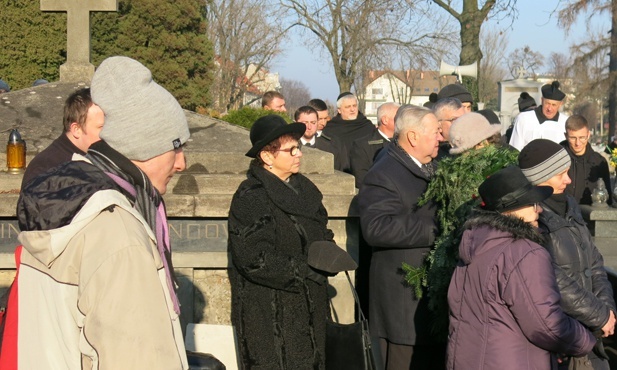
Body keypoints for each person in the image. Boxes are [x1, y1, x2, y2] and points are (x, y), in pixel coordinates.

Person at [15, 56, 189, 369]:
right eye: (175, 146)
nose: (181, 163)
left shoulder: (76, 200)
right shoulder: (120, 236)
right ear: (143, 144)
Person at [229, 115, 352, 369]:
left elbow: (320, 230)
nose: (299, 154)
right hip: (271, 311)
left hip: (310, 306)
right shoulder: (251, 196)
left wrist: (328, 256)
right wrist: (305, 271)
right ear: (267, 156)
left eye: (299, 147)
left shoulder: (304, 188)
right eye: (291, 149)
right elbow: (252, 258)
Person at [447, 165, 596, 370]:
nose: (540, 209)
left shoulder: (475, 242)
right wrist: (586, 340)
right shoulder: (524, 253)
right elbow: (547, 325)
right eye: (533, 203)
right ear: (511, 209)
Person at [358, 105, 445, 370]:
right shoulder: (383, 173)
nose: (441, 137)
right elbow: (377, 228)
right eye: (435, 132)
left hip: (429, 301)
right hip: (403, 304)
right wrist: (439, 228)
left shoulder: (432, 165)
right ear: (413, 137)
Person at [519, 139, 616, 369]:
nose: (569, 180)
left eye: (568, 171)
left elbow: (594, 261)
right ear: (539, 178)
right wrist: (598, 315)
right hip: (564, 336)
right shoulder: (532, 216)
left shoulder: (570, 204)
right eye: (560, 174)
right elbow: (551, 277)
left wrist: (607, 309)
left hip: (592, 332)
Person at [21, 88, 105, 188]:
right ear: (76, 129)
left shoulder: (99, 158)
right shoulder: (47, 170)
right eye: (102, 127)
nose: (109, 133)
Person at [561, 115, 612, 206]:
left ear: (588, 135)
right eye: (573, 138)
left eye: (582, 137)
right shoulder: (556, 158)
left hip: (589, 216)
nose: (577, 143)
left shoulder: (599, 162)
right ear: (566, 136)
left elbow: (607, 198)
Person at [350, 102, 399, 188]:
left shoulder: (403, 142)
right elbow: (362, 179)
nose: (402, 121)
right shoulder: (362, 145)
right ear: (385, 120)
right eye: (398, 117)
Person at [322, 92, 375, 170]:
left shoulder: (367, 126)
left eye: (354, 106)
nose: (352, 109)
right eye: (348, 107)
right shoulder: (331, 128)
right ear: (339, 110)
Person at [510, 81, 568, 150]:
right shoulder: (524, 119)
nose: (549, 108)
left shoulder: (566, 122)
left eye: (554, 105)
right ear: (542, 100)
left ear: (560, 104)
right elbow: (514, 150)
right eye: (547, 103)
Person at [295, 105, 348, 171]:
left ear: (317, 123)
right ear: (296, 123)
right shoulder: (289, 147)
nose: (309, 127)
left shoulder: (331, 148)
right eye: (305, 123)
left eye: (313, 123)